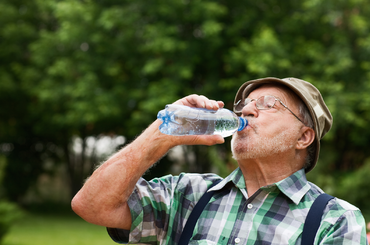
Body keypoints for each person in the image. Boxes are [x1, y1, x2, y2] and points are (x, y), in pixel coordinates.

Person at [71, 77, 368, 244]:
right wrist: (161, 134)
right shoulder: (187, 194)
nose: (247, 111)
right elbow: (92, 205)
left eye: (268, 105)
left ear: (303, 138)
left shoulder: (335, 220)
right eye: (246, 104)